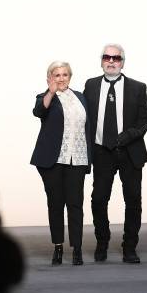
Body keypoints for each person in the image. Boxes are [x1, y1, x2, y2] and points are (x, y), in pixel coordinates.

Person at [83, 44, 147, 264]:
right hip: (102, 151)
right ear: (101, 60)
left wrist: (127, 136)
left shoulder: (138, 87)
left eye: (116, 58)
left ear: (123, 62)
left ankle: (129, 247)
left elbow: (145, 120)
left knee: (133, 200)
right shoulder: (91, 85)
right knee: (98, 199)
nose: (111, 61)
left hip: (130, 151)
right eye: (106, 57)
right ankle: (102, 242)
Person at [30, 61, 91, 266]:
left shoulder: (80, 97)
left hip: (78, 159)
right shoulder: (45, 97)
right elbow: (39, 111)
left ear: (70, 77)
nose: (61, 78)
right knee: (56, 204)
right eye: (57, 75)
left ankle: (77, 249)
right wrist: (50, 91)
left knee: (75, 204)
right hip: (53, 160)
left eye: (65, 74)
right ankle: (58, 247)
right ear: (50, 78)